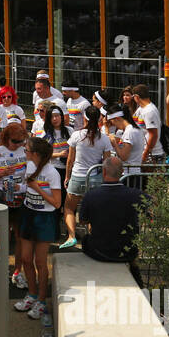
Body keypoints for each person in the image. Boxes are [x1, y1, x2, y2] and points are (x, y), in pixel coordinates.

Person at [13, 138, 62, 323]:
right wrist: (21, 187)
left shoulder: (52, 173)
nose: (24, 152)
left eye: (27, 150)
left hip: (45, 218)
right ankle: (31, 295)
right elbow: (28, 187)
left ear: (35, 154)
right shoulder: (30, 166)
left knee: (40, 262)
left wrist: (37, 189)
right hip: (28, 213)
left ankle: (42, 300)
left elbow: (57, 203)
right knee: (26, 258)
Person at [76, 157, 144, 284]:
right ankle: (137, 278)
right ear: (122, 172)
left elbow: (83, 221)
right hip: (127, 251)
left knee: (85, 239)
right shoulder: (135, 194)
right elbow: (155, 206)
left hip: (99, 251)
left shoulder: (91, 195)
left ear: (104, 172)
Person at [59, 106, 115, 251]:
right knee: (94, 210)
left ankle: (71, 236)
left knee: (69, 208)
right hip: (95, 178)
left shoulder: (77, 135)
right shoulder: (103, 138)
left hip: (77, 176)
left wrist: (67, 177)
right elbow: (107, 162)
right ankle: (93, 238)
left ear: (84, 118)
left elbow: (70, 160)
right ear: (99, 119)